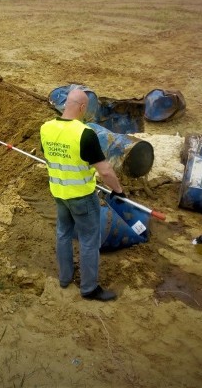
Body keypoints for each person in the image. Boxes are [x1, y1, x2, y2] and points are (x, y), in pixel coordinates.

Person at [40, 89, 125, 301]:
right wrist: (118, 191)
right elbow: (105, 171)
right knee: (89, 240)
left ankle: (65, 277)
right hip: (82, 197)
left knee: (63, 233)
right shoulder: (85, 134)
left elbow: (52, 157)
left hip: (59, 193)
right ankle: (89, 288)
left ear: (66, 104)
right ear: (82, 107)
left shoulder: (46, 128)